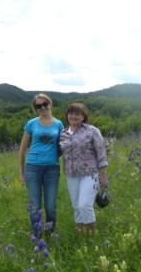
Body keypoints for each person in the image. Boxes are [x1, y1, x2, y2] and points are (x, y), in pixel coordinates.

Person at [18, 94, 64, 237]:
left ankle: (50, 234)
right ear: (36, 109)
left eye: (45, 103)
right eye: (39, 106)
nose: (43, 107)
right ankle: (36, 237)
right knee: (35, 207)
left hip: (52, 169)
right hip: (32, 168)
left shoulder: (58, 124)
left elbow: (62, 147)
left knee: (50, 207)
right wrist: (22, 173)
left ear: (50, 103)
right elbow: (22, 150)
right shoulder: (31, 124)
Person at [59, 102, 108, 234]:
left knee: (85, 204)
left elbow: (101, 152)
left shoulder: (91, 131)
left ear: (83, 116)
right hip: (71, 175)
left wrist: (103, 175)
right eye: (71, 113)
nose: (73, 116)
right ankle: (81, 233)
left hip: (90, 174)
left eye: (77, 114)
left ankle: (91, 234)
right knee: (76, 206)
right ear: (67, 116)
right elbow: (59, 152)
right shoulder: (63, 133)